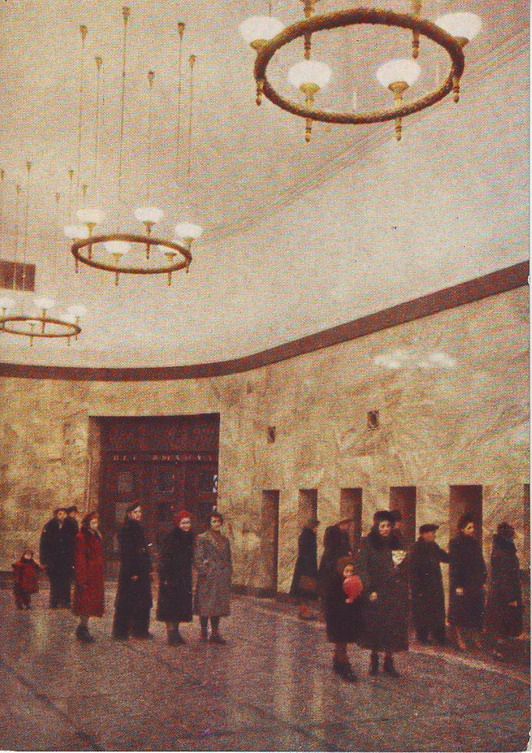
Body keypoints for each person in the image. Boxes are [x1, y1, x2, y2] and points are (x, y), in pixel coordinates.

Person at [357, 510, 409, 677]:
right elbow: (362, 567)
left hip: (393, 591)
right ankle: (374, 659)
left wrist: (399, 568)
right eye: (382, 526)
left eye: (388, 526)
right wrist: (369, 588)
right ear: (377, 526)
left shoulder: (397, 541)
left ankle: (389, 660)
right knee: (376, 626)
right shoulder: (368, 543)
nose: (386, 529)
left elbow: (405, 564)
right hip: (376, 590)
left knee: (392, 627)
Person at [112, 502, 153, 641]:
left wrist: (148, 568)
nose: (138, 514)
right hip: (132, 571)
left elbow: (144, 551)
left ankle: (140, 630)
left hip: (142, 570)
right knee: (127, 601)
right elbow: (128, 553)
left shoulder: (140, 528)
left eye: (140, 512)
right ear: (129, 514)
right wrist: (133, 572)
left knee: (142, 602)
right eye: (135, 512)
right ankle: (121, 631)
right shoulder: (127, 530)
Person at [448, 513, 487, 651]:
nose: (472, 530)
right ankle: (460, 638)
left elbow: (481, 562)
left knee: (475, 610)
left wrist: (483, 580)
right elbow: (455, 565)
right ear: (462, 529)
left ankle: (475, 638)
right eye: (469, 528)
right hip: (462, 583)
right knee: (460, 612)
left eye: (473, 527)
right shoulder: (455, 543)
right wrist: (458, 585)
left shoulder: (475, 543)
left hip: (474, 582)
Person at [157, 510, 195, 645]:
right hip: (171, 576)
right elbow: (164, 558)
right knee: (170, 606)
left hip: (183, 577)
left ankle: (176, 632)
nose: (186, 525)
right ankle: (171, 634)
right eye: (183, 523)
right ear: (178, 523)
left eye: (188, 522)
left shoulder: (189, 537)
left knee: (180, 605)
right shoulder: (171, 537)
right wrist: (165, 577)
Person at [323, 556, 364, 682]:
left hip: (347, 618)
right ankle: (345, 666)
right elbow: (330, 602)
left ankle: (338, 661)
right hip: (337, 618)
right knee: (341, 643)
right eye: (347, 571)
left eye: (351, 571)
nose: (349, 573)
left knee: (342, 643)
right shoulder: (335, 582)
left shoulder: (352, 582)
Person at [194, 511, 232, 643]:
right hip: (208, 577)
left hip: (221, 576)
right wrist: (205, 571)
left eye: (218, 521)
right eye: (214, 521)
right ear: (209, 523)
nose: (217, 524)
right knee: (205, 604)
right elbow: (198, 558)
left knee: (218, 604)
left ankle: (215, 633)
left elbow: (228, 558)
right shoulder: (202, 538)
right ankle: (203, 632)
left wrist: (228, 573)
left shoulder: (225, 540)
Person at [409, 524, 449, 645]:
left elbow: (445, 557)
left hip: (435, 586)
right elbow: (413, 571)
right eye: (432, 532)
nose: (434, 535)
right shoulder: (416, 548)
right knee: (423, 613)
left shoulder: (434, 546)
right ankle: (422, 637)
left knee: (437, 612)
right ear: (424, 534)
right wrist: (416, 589)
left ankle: (439, 637)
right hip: (422, 587)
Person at [486, 522, 523, 640]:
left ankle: (500, 642)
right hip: (505, 593)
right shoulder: (505, 553)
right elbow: (506, 576)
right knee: (504, 622)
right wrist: (511, 598)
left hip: (501, 591)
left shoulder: (500, 549)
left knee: (500, 623)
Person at [73, 512, 105, 643]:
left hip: (95, 575)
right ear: (87, 524)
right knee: (85, 604)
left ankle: (83, 627)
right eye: (93, 523)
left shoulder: (96, 536)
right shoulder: (81, 537)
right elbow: (80, 558)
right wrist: (82, 578)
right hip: (87, 575)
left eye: (97, 522)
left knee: (91, 603)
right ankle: (83, 628)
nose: (96, 525)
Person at [39, 508, 74, 608]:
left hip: (66, 559)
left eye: (64, 514)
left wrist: (73, 560)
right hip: (53, 559)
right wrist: (44, 560)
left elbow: (74, 543)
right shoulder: (49, 526)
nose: (62, 516)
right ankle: (54, 601)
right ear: (56, 515)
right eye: (60, 514)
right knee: (54, 581)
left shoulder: (71, 526)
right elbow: (44, 544)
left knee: (66, 581)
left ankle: (65, 601)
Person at [289, 518, 320, 619]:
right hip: (307, 567)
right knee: (305, 591)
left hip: (304, 566)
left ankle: (304, 611)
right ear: (312, 526)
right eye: (316, 527)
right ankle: (304, 612)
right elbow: (308, 552)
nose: (317, 529)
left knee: (304, 591)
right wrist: (310, 567)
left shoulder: (305, 535)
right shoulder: (308, 536)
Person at [318, 518, 352, 593]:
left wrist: (349, 552)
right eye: (348, 525)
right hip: (330, 559)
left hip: (341, 561)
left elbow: (347, 546)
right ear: (342, 524)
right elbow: (328, 545)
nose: (348, 527)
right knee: (328, 578)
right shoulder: (331, 530)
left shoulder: (345, 534)